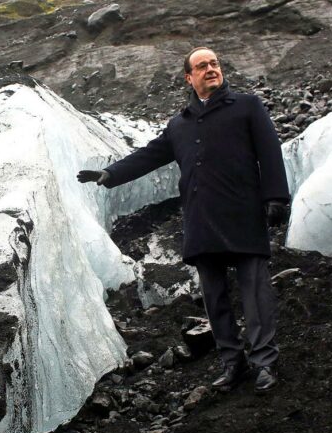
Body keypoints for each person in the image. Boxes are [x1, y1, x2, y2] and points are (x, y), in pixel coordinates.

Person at [77, 47, 290, 393]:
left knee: (255, 293)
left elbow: (270, 150)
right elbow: (149, 156)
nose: (211, 69)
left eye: (215, 63)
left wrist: (276, 197)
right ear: (188, 78)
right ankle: (233, 363)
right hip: (202, 220)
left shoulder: (247, 106)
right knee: (215, 299)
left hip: (243, 213)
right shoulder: (180, 124)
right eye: (202, 66)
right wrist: (108, 173)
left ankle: (264, 362)